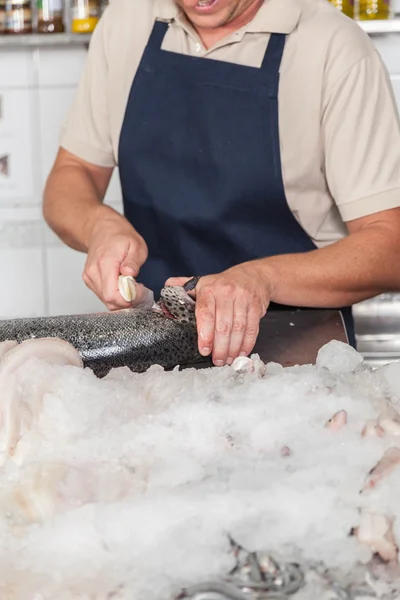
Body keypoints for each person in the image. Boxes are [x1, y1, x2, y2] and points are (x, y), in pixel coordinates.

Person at [43, 0, 400, 368]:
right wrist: (98, 225)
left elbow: (391, 246)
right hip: (155, 353)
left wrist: (261, 278)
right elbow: (72, 172)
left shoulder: (333, 46)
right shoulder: (127, 19)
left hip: (296, 360)